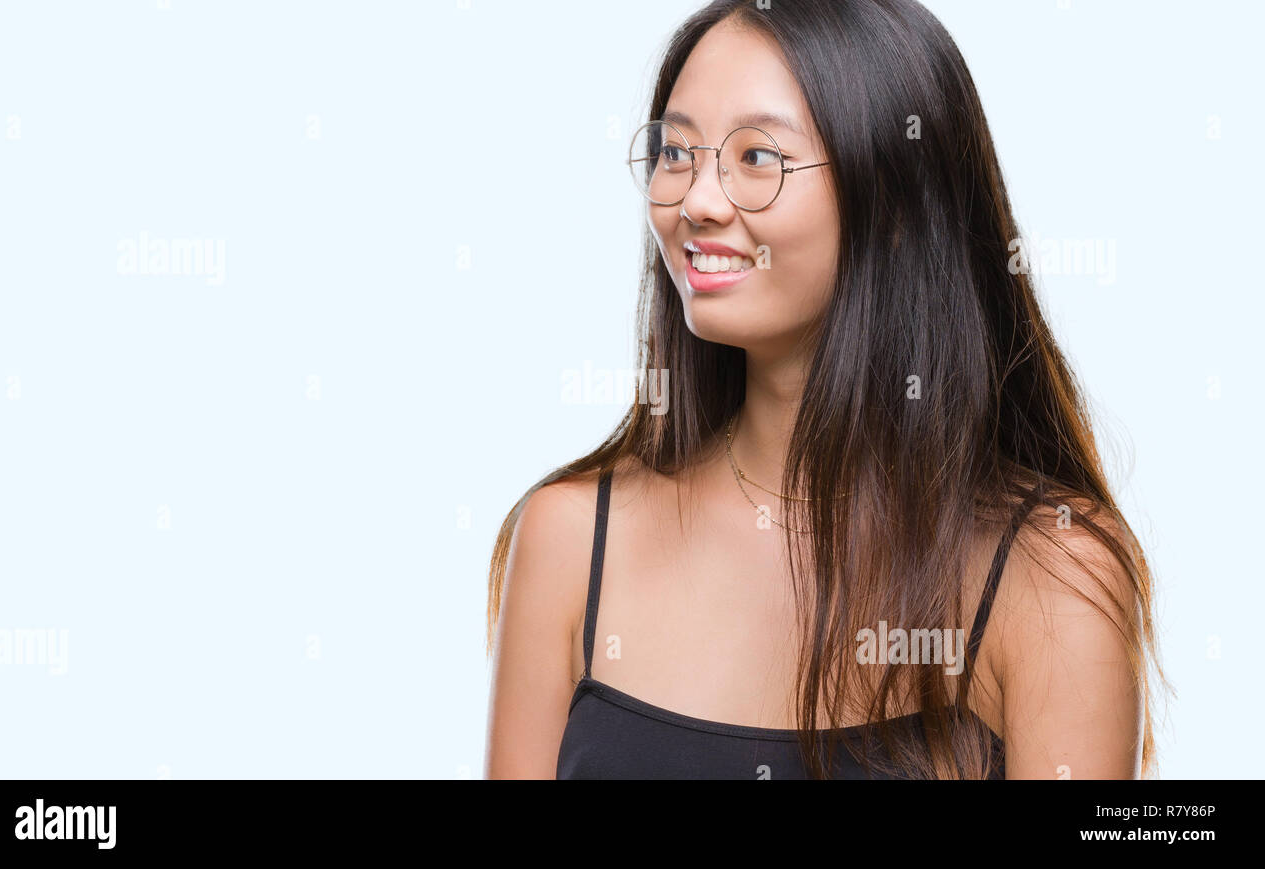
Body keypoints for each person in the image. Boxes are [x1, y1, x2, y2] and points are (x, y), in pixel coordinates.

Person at [484, 0, 1164, 779]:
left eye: (758, 157)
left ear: (901, 204)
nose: (698, 200)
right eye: (676, 152)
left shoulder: (1049, 578)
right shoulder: (569, 537)